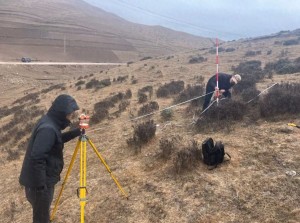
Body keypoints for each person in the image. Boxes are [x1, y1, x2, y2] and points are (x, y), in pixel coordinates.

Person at [19, 94, 81, 223]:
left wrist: (76, 132)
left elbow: (55, 141)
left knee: (42, 216)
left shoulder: (50, 122)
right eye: (70, 115)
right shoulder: (48, 128)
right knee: (41, 219)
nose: (70, 118)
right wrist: (42, 187)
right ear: (61, 113)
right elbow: (37, 158)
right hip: (39, 186)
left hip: (39, 184)